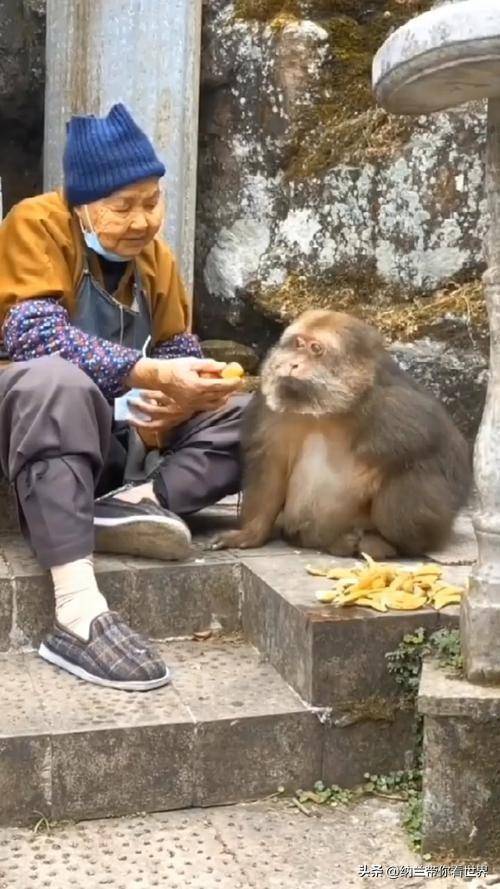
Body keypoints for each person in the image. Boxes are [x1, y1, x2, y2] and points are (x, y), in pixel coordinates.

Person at [0, 103, 248, 692]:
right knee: (56, 378)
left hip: (122, 439)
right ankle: (78, 611)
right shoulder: (36, 224)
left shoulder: (154, 259)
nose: (142, 221)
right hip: (37, 424)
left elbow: (176, 347)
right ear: (81, 203)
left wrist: (191, 391)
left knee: (261, 415)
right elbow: (31, 336)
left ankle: (137, 501)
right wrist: (150, 375)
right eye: (122, 205)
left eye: (151, 201)